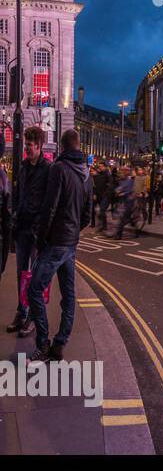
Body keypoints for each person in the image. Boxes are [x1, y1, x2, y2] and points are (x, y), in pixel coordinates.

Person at [24, 130, 94, 362]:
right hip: (71, 243)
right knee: (68, 295)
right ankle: (60, 344)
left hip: (55, 242)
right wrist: (73, 233)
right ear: (78, 145)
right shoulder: (87, 175)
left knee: (34, 289)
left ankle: (43, 343)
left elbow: (49, 208)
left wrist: (42, 239)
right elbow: (88, 216)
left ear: (62, 148)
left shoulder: (58, 169)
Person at [7, 127, 51, 337]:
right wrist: (15, 214)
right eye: (25, 145)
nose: (27, 149)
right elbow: (18, 194)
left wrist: (41, 227)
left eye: (30, 145)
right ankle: (21, 312)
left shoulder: (48, 169)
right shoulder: (24, 167)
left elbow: (49, 202)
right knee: (20, 274)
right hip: (22, 228)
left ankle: (33, 316)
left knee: (33, 277)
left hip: (36, 231)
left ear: (39, 146)